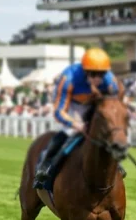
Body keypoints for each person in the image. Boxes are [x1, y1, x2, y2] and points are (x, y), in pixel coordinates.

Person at [34, 47, 120, 188]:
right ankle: (45, 166)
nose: (98, 79)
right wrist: (76, 124)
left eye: (101, 74)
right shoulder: (68, 78)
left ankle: (116, 164)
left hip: (94, 106)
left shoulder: (110, 81)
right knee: (67, 133)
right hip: (72, 107)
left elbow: (114, 105)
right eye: (93, 74)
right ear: (85, 71)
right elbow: (59, 111)